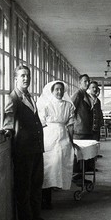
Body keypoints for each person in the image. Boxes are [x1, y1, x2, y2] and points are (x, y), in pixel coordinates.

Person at [2, 64, 52, 220]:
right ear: (15, 78)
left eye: (28, 76)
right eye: (22, 75)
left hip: (36, 147)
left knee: (37, 183)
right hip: (23, 149)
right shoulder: (13, 98)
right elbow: (9, 117)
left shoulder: (29, 97)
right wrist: (8, 130)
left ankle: (36, 216)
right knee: (24, 185)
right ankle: (26, 219)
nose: (26, 78)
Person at [37, 81, 75, 210]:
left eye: (61, 90)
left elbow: (70, 125)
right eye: (56, 90)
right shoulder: (46, 105)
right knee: (48, 167)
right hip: (49, 137)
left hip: (63, 136)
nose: (59, 92)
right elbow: (41, 123)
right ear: (52, 91)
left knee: (61, 164)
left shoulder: (68, 106)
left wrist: (71, 140)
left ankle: (56, 188)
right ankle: (45, 199)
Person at [71, 74, 93, 140]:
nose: (88, 83)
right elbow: (71, 111)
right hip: (79, 130)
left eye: (88, 81)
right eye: (85, 81)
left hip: (87, 129)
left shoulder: (86, 95)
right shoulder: (77, 94)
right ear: (80, 83)